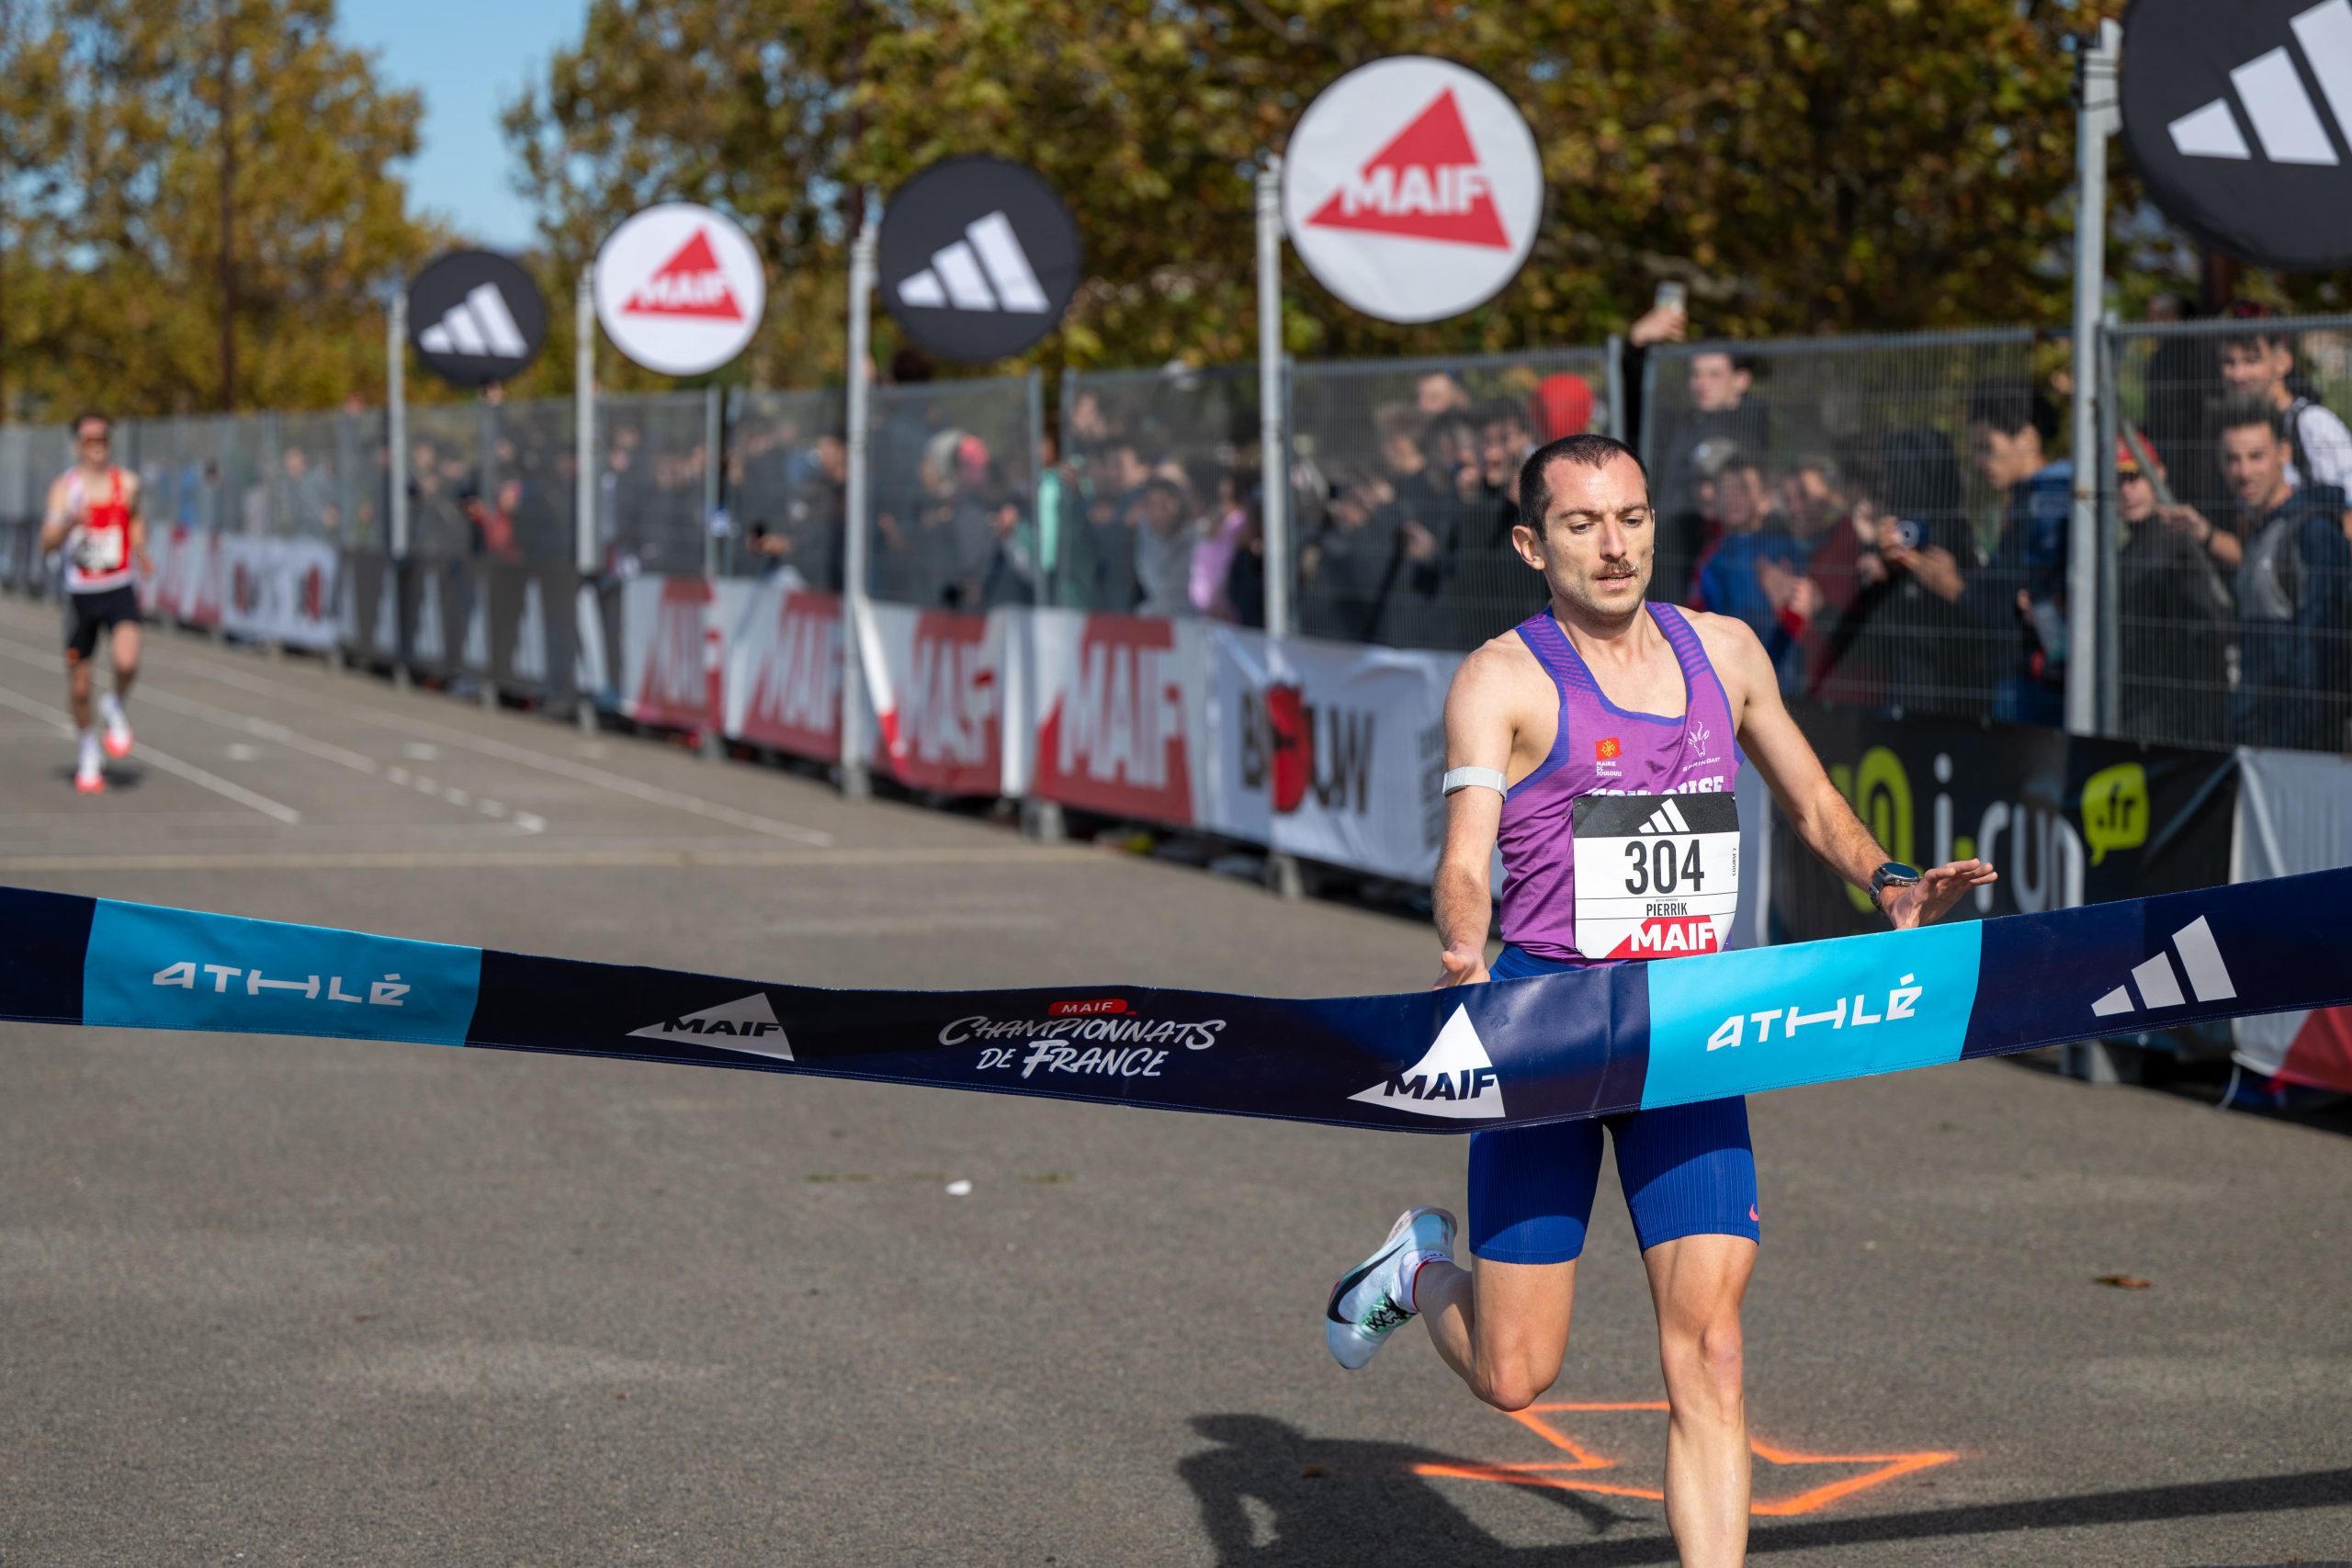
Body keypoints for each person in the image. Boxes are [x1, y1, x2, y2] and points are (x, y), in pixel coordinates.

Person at [1323, 433, 1996, 1568]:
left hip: (1689, 1035)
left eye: (1630, 517)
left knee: (1713, 1350)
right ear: (1534, 544)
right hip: (1546, 1039)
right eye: (1581, 525)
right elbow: (1464, 857)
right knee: (1513, 1376)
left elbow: (1810, 794)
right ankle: (1414, 1271)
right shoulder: (1503, 676)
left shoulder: (1724, 651)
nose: (1614, 544)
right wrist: (1460, 950)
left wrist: (1885, 878)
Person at [2162, 397, 2352, 749]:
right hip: (2259, 751)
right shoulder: (2263, 533)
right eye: (2232, 459)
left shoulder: (2313, 534)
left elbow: (2327, 658)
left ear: (2284, 453)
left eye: (2256, 456)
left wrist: (2299, 746)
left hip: (2298, 757)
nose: (2244, 471)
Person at [40, 412, 150, 795]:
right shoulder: (64, 489)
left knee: (127, 661)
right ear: (77, 445)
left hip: (119, 587)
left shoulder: (128, 484)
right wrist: (72, 522)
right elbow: (47, 542)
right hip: (81, 595)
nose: (96, 444)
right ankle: (88, 745)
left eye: (102, 437)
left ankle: (116, 704)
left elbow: (135, 517)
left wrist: (140, 547)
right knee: (81, 687)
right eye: (88, 439)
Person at [1965, 380, 2072, 727]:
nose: (1979, 461)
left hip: (2047, 684)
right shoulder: (2022, 501)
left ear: (2027, 438)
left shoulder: (2053, 496)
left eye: (1987, 447)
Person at [2216, 301, 2352, 513]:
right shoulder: (2232, 427)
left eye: (2251, 361)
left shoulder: (2313, 423)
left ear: (2282, 362)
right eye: (2229, 362)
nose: (2237, 375)